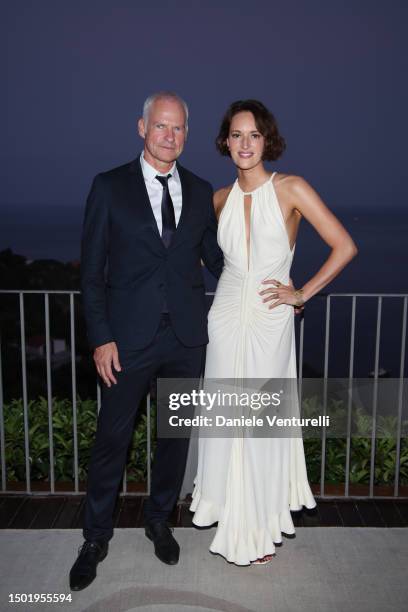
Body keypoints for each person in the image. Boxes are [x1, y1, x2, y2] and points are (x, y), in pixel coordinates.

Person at [190, 99, 358, 566]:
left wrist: (302, 293)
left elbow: (344, 246)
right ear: (225, 141)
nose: (245, 144)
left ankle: (259, 525)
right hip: (224, 317)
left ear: (267, 140)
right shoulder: (217, 199)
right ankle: (232, 516)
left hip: (270, 319)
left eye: (254, 135)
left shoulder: (292, 188)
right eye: (236, 135)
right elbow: (206, 258)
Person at [69, 91, 224, 590]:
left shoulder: (200, 191)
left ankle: (160, 521)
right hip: (126, 342)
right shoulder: (109, 187)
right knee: (112, 440)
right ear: (142, 128)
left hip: (184, 338)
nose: (169, 136)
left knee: (174, 438)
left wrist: (268, 270)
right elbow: (92, 274)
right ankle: (95, 537)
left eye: (178, 128)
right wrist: (101, 337)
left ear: (186, 133)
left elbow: (218, 260)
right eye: (161, 126)